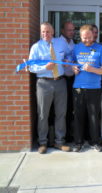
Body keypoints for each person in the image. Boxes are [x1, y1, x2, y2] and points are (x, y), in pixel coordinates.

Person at [28, 22, 71, 154]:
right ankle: (42, 143)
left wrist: (68, 60)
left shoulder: (61, 43)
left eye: (48, 32)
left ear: (53, 32)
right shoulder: (36, 47)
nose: (45, 34)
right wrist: (44, 68)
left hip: (60, 82)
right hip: (43, 83)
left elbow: (69, 54)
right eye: (43, 32)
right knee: (42, 114)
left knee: (61, 113)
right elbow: (31, 67)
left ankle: (59, 142)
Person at [72, 25, 102, 152]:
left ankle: (95, 142)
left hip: (94, 88)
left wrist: (92, 69)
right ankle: (78, 143)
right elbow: (71, 64)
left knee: (94, 116)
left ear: (93, 35)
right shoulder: (76, 48)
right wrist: (73, 69)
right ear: (80, 36)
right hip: (78, 87)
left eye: (89, 37)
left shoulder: (100, 49)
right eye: (84, 38)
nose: (87, 40)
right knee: (78, 116)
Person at [59, 21, 75, 142]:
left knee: (70, 108)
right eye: (69, 30)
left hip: (72, 79)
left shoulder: (73, 43)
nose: (72, 32)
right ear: (63, 31)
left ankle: (69, 133)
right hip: (62, 79)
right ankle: (61, 135)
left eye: (73, 30)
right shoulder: (57, 43)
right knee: (62, 109)